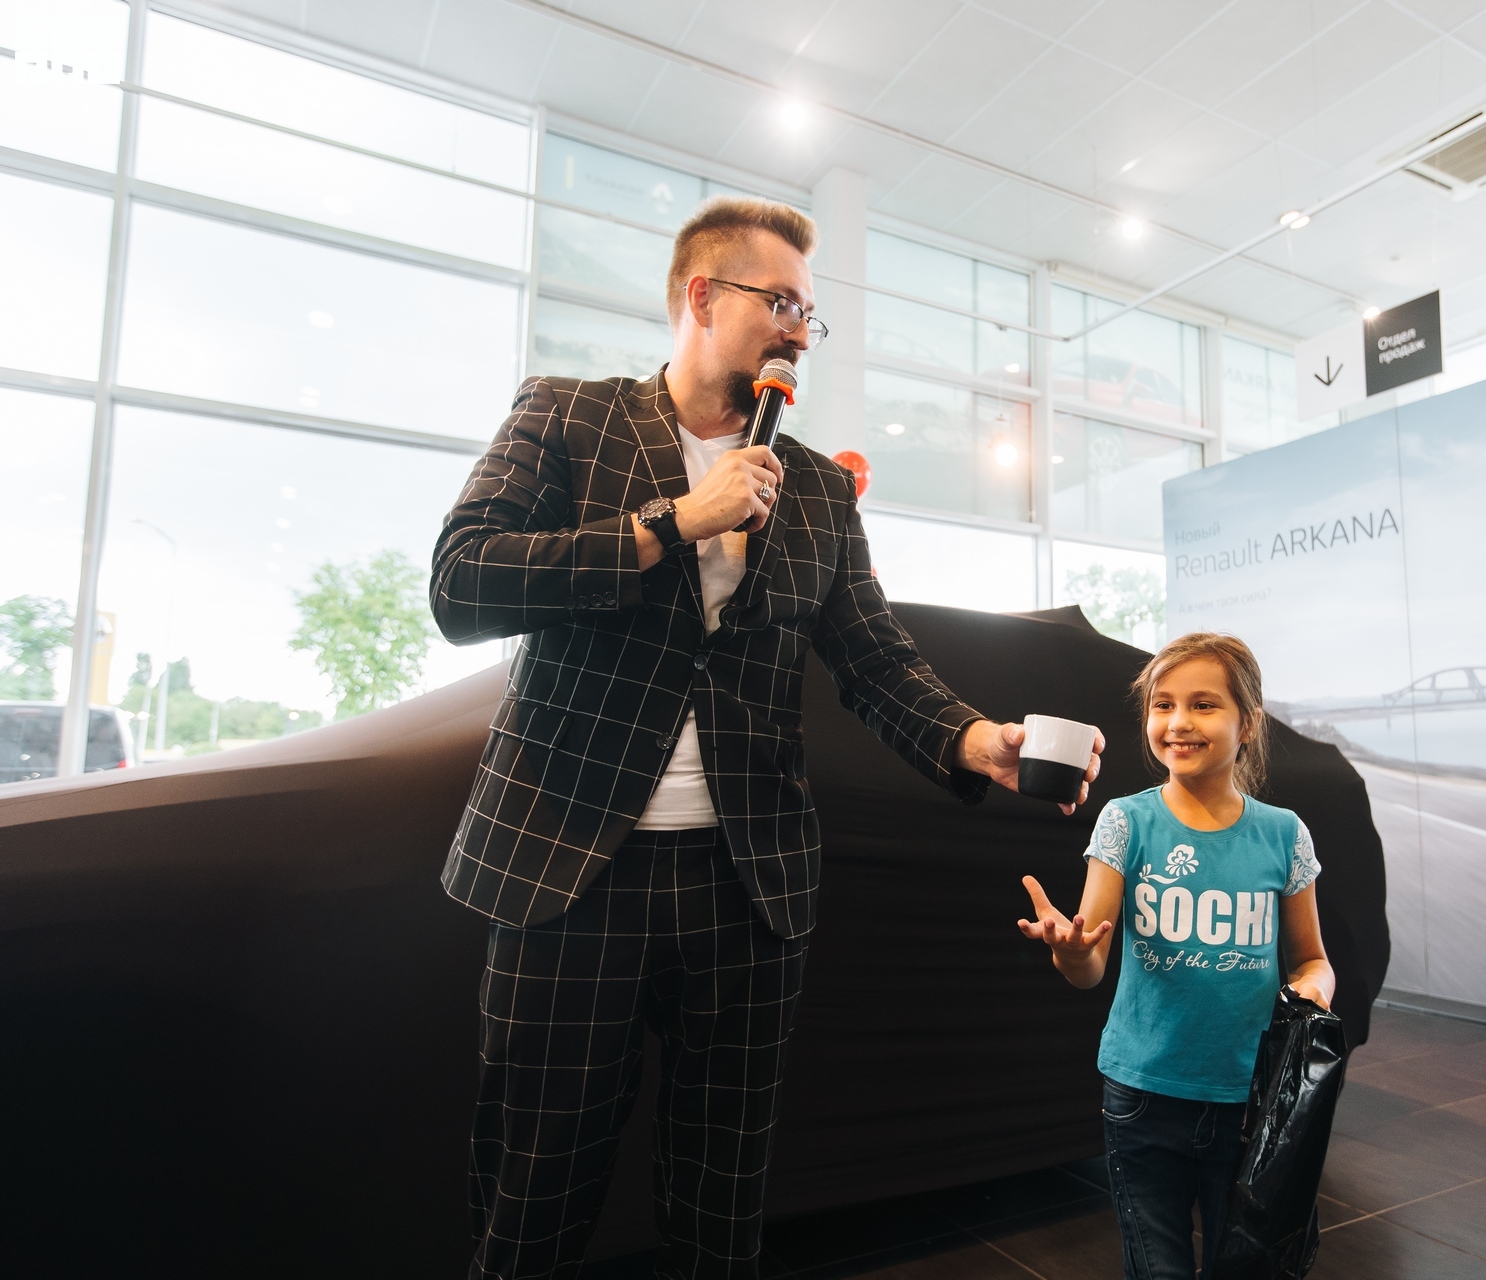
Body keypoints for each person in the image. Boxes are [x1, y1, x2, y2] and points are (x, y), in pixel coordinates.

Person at [431, 195, 1103, 1280]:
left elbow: (876, 659)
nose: (799, 330)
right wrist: (675, 522)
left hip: (746, 888)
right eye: (780, 302)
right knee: (533, 1197)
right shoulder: (567, 416)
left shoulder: (821, 490)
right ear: (702, 296)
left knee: (722, 1204)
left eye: (807, 313)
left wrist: (976, 738)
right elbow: (464, 582)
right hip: (571, 873)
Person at [1016, 632, 1332, 1280]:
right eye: (1163, 705)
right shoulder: (1125, 822)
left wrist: (1313, 990)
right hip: (1142, 1098)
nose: (1179, 722)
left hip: (1251, 1101)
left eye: (1203, 705)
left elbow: (1312, 960)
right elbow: (1089, 968)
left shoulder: (1285, 834)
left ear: (1248, 723)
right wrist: (1071, 952)